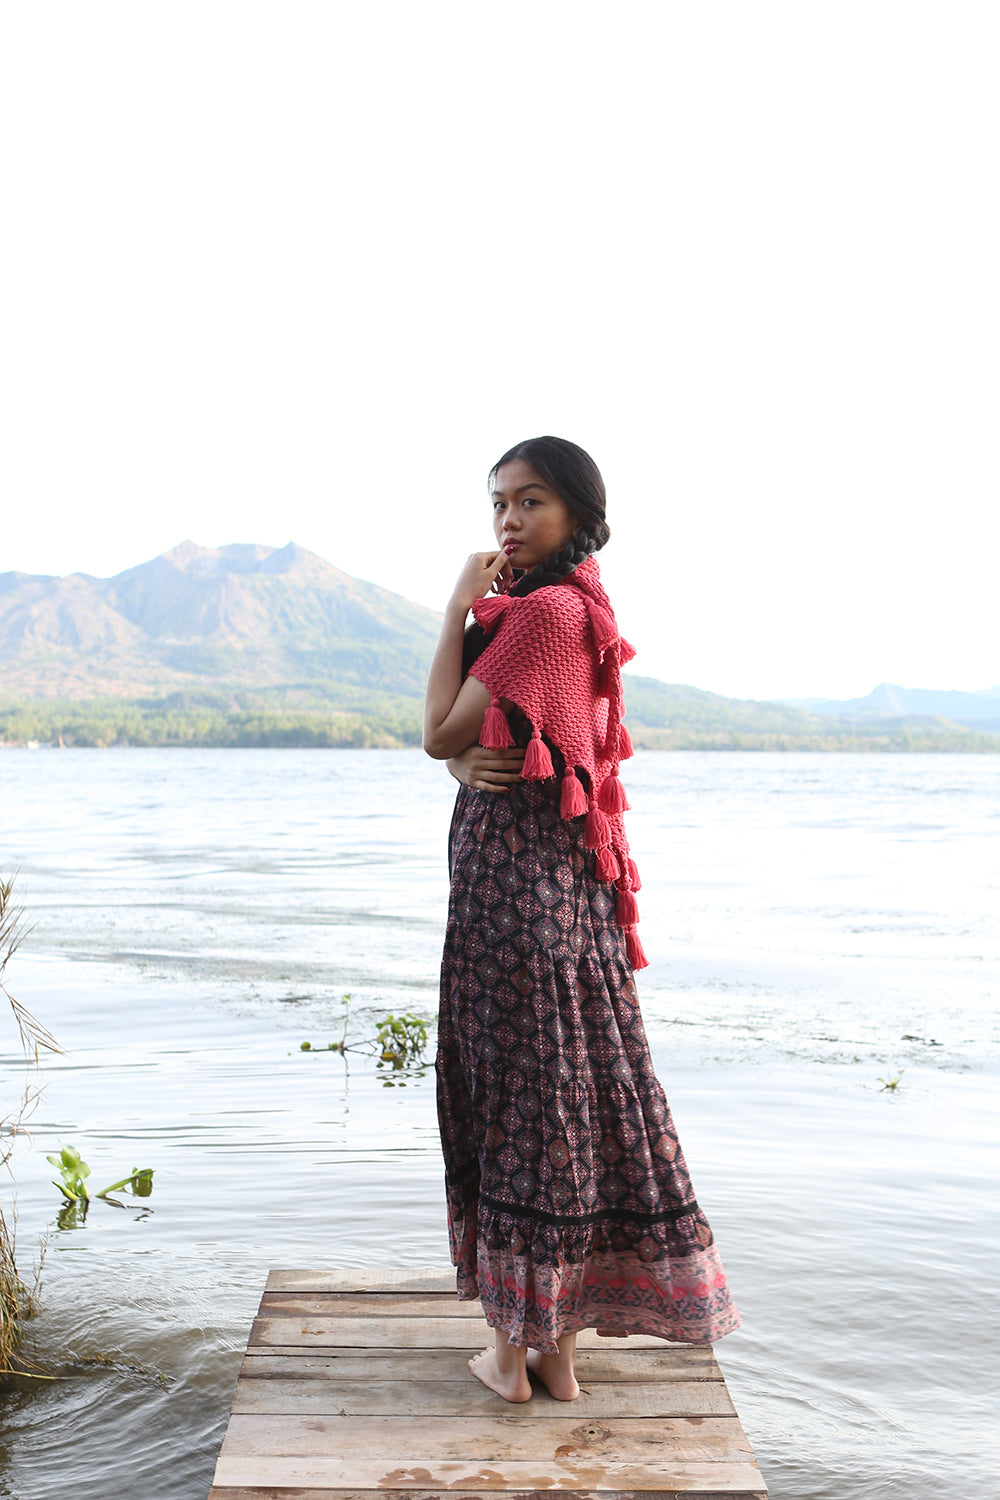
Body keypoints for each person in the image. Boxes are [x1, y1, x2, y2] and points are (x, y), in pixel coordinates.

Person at [423, 436, 740, 1403]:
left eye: (531, 503)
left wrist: (451, 609)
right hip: (566, 897)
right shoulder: (581, 609)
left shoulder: (534, 618)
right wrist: (457, 758)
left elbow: (440, 728)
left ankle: (510, 1356)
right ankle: (554, 1350)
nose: (509, 522)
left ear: (576, 514)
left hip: (511, 894)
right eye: (498, 506)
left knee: (520, 1101)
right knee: (567, 1098)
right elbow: (506, 745)